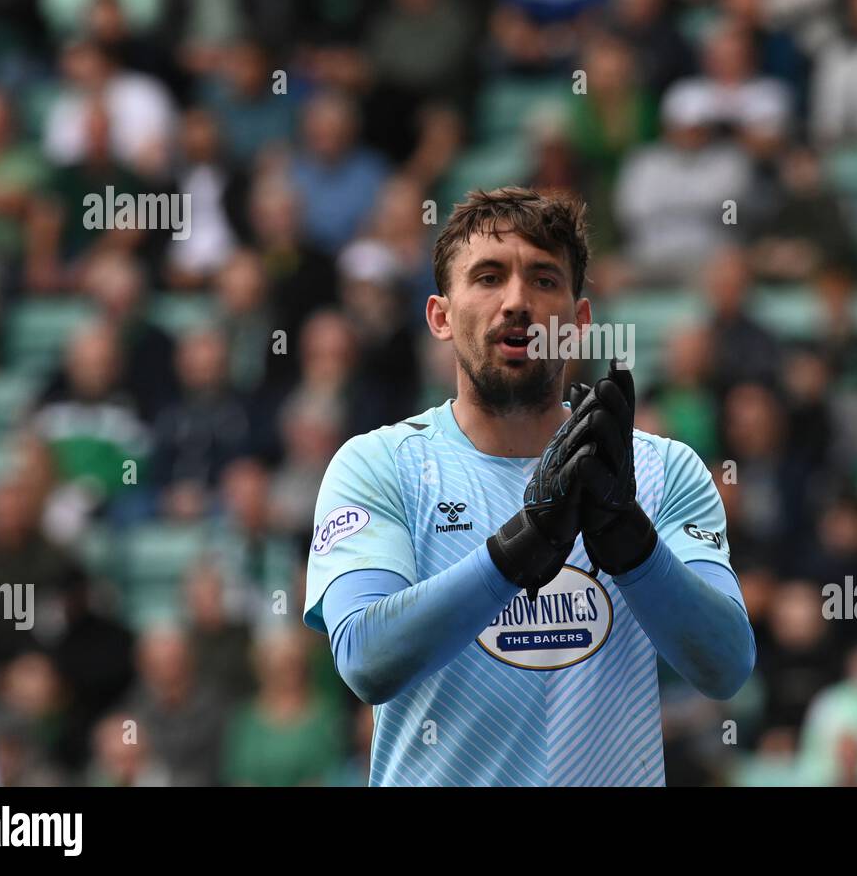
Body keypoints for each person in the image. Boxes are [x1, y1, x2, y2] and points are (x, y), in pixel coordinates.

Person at [302, 186, 755, 786]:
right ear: (440, 315)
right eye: (488, 278)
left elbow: (726, 667)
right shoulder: (379, 464)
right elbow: (365, 660)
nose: (516, 302)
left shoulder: (662, 471)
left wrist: (634, 548)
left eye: (544, 280)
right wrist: (514, 554)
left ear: (580, 321)